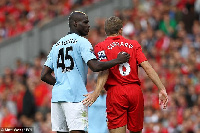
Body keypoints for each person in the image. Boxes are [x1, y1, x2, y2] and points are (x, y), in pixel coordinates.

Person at [40, 11, 130, 133]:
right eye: (85, 22)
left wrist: (61, 84)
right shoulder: (82, 42)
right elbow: (95, 66)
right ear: (75, 24)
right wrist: (118, 60)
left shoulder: (57, 45)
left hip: (57, 98)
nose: (89, 25)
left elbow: (44, 75)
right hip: (75, 97)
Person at [82, 16, 168, 133]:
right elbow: (147, 67)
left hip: (115, 92)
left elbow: (104, 70)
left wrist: (96, 93)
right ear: (121, 30)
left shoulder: (100, 47)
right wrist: (161, 88)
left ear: (106, 31)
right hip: (135, 91)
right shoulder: (133, 44)